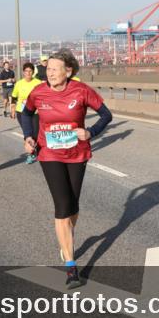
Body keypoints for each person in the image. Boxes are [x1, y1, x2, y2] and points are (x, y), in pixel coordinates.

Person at [21, 49, 112, 290]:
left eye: (53, 69)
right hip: (49, 153)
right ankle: (71, 266)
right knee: (62, 206)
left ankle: (67, 240)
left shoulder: (81, 91)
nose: (48, 72)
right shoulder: (38, 92)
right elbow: (26, 113)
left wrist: (91, 132)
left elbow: (106, 115)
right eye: (47, 69)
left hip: (77, 153)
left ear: (68, 71)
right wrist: (28, 136)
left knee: (73, 206)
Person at [11, 62, 43, 163]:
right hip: (22, 112)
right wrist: (12, 109)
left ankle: (36, 150)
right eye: (26, 71)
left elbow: (42, 97)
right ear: (23, 72)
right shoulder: (19, 83)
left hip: (35, 112)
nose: (28, 73)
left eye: (30, 71)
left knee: (36, 133)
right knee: (27, 133)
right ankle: (31, 154)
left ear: (33, 72)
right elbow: (14, 97)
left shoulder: (38, 83)